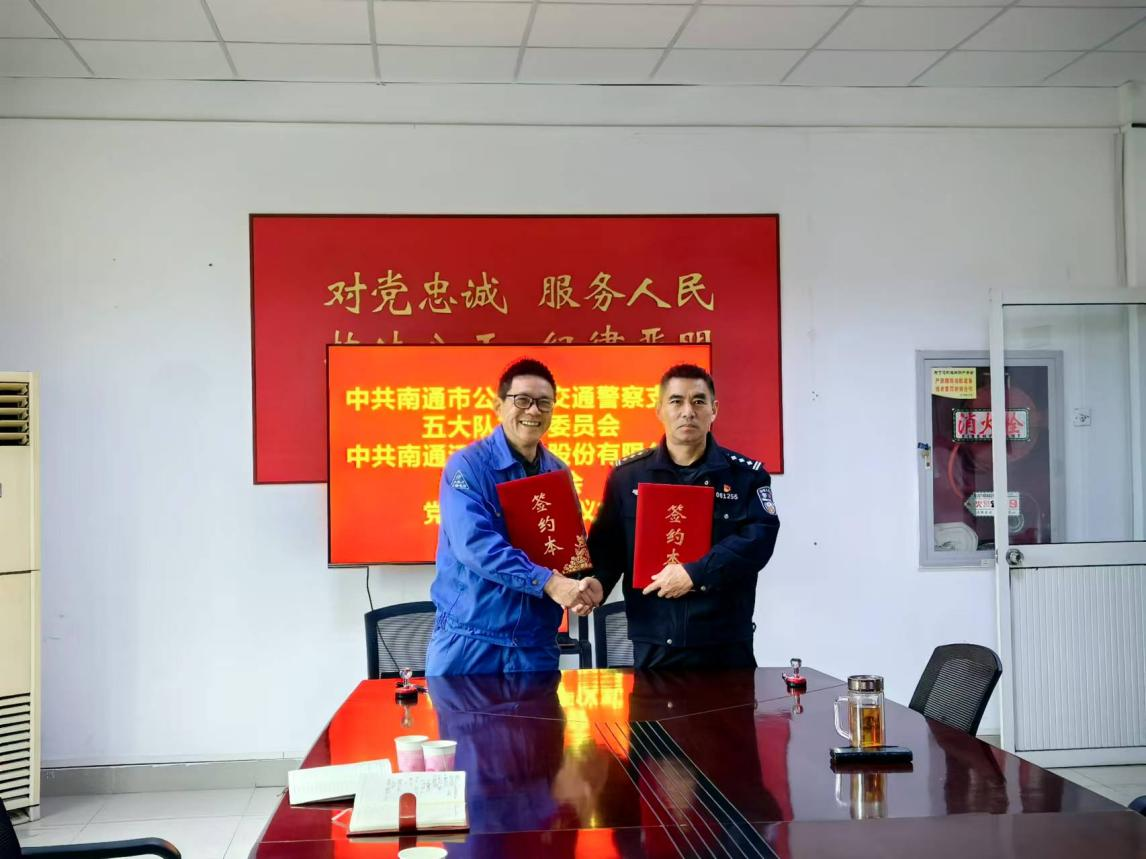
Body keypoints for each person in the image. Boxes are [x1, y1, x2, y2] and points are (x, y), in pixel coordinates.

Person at [585, 363, 779, 670]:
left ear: (714, 410)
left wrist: (695, 573)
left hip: (724, 641)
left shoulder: (745, 476)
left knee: (733, 706)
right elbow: (608, 548)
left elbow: (758, 541)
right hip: (654, 642)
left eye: (698, 401)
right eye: (676, 401)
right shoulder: (628, 476)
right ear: (659, 409)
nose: (688, 411)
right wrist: (597, 583)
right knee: (650, 707)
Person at [426, 358, 599, 676]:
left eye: (544, 402)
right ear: (498, 405)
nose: (533, 410)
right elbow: (475, 545)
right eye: (522, 400)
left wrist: (582, 585)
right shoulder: (467, 466)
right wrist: (549, 582)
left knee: (540, 713)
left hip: (535, 644)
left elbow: (568, 547)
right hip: (472, 640)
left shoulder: (557, 472)